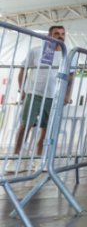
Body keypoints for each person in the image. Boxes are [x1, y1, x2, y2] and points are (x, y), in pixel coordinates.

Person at [8, 25, 69, 172]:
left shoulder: (66, 55)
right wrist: (22, 89)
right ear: (49, 35)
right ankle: (15, 158)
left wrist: (67, 95)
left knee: (46, 129)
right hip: (34, 93)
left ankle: (39, 160)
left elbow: (71, 77)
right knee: (25, 125)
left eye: (62, 34)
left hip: (52, 97)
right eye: (56, 34)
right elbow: (23, 69)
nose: (60, 36)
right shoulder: (36, 50)